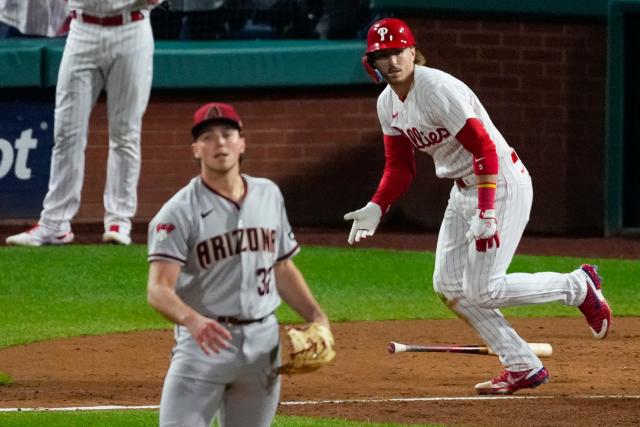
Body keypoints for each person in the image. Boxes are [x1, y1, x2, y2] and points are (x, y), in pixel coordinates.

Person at [344, 18, 612, 395]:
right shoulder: (387, 104)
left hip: (500, 184)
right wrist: (377, 205)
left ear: (412, 50)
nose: (391, 61)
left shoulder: (436, 89)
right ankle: (522, 364)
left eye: (397, 51)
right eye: (381, 55)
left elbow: (484, 148)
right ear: (371, 62)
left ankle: (578, 286)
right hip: (462, 190)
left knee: (484, 290)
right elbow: (400, 166)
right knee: (450, 286)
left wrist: (487, 213)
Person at [146, 102, 333, 426]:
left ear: (241, 143)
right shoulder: (178, 212)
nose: (219, 142)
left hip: (263, 343)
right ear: (195, 149)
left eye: (227, 134)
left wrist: (317, 316)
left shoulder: (268, 194)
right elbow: (158, 289)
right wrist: (192, 321)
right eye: (208, 137)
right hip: (204, 344)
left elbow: (282, 268)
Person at [6, 0, 163, 247]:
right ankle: (54, 224)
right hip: (82, 28)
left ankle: (119, 221)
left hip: (131, 27)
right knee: (67, 133)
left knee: (125, 134)